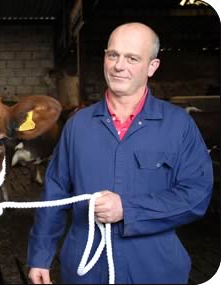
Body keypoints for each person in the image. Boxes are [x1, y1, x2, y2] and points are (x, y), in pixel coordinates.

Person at [27, 22, 213, 284]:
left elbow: (196, 195)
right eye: (112, 55)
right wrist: (40, 256)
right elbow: (54, 196)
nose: (118, 66)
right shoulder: (78, 126)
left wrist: (128, 209)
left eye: (132, 58)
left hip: (155, 269)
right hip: (86, 268)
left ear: (152, 67)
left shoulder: (178, 125)